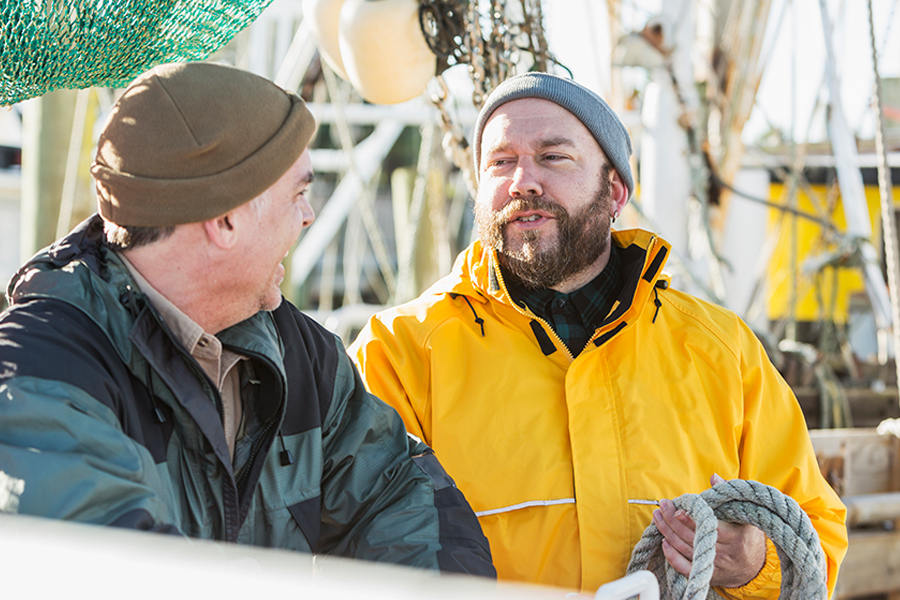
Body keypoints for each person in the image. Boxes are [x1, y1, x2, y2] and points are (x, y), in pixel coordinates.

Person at [350, 72, 847, 596]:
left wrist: (755, 563)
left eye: (552, 157)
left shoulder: (722, 350)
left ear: (614, 191)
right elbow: (347, 541)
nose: (523, 181)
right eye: (500, 161)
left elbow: (815, 538)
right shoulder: (399, 352)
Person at [0, 61, 495, 577]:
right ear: (225, 220)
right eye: (299, 194)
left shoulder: (295, 350)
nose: (308, 216)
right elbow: (108, 574)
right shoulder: (39, 373)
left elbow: (396, 490)